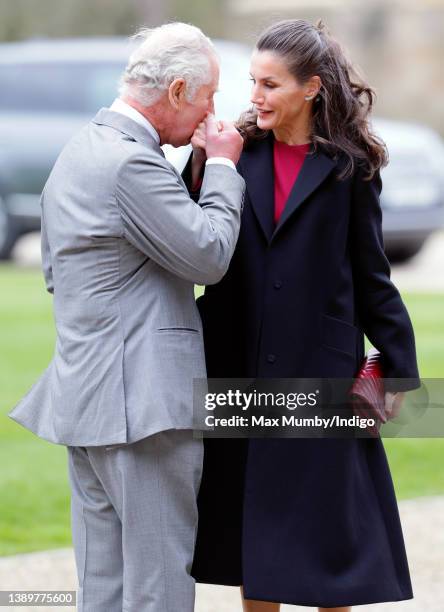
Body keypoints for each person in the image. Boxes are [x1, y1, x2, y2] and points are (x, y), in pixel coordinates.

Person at [9, 22, 245, 612]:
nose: (213, 110)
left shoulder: (81, 149)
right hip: (143, 409)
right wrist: (220, 169)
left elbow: (55, 275)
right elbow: (210, 255)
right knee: (159, 588)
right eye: (209, 95)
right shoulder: (129, 165)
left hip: (86, 399)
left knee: (104, 589)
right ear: (176, 91)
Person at [187, 19, 420, 612]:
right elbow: (190, 235)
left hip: (322, 372)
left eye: (270, 85)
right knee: (252, 529)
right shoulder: (233, 156)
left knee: (325, 540)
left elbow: (372, 278)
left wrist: (397, 369)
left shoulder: (351, 169)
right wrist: (198, 165)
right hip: (239, 363)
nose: (255, 97)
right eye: (252, 83)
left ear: (311, 87)